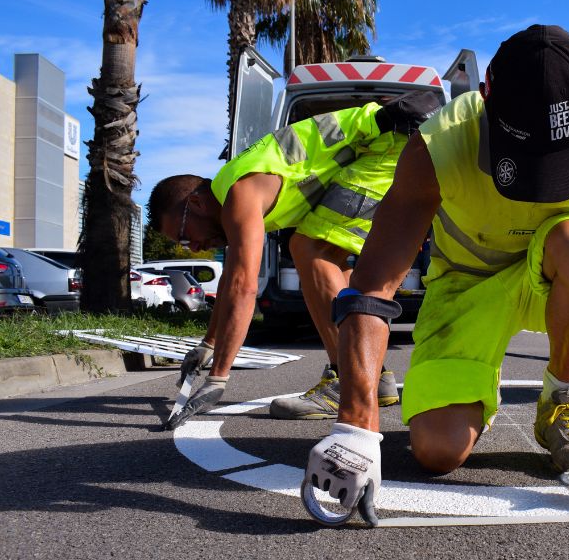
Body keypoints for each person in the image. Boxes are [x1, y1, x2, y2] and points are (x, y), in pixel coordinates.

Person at [303, 24, 569, 526]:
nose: (542, 184)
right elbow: (371, 286)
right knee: (436, 451)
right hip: (466, 283)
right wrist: (356, 427)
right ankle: (473, 382)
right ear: (483, 101)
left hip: (560, 273)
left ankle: (562, 398)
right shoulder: (438, 146)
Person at [148, 92, 441, 429]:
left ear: (197, 204)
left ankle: (346, 381)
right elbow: (231, 281)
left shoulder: (239, 194)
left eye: (185, 236)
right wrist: (207, 345)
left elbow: (244, 288)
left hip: (393, 141)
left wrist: (218, 379)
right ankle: (375, 378)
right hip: (394, 142)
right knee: (329, 264)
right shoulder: (234, 191)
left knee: (310, 250)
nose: (195, 246)